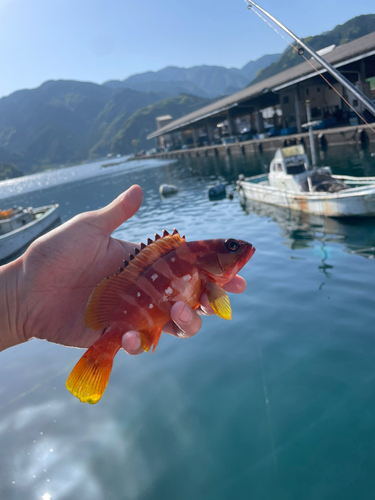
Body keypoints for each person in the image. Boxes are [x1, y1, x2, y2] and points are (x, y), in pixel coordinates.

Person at [0, 185, 246, 353]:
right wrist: (21, 306)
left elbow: (218, 304)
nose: (239, 249)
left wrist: (22, 307)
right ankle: (103, 355)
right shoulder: (198, 264)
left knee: (166, 324)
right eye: (232, 246)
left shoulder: (196, 263)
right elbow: (221, 306)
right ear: (209, 256)